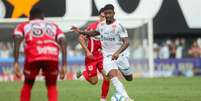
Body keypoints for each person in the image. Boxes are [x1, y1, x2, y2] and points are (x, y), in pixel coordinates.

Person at [71, 4, 134, 101]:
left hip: (120, 55)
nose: (107, 16)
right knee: (111, 76)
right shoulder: (100, 25)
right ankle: (125, 98)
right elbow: (93, 33)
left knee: (129, 78)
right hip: (106, 56)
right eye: (105, 14)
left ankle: (121, 94)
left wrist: (117, 53)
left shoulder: (119, 26)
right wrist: (81, 31)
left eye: (109, 13)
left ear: (114, 13)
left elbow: (127, 42)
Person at [13, 8, 67, 101]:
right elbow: (63, 40)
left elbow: (17, 38)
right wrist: (64, 64)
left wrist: (16, 62)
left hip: (33, 54)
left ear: (30, 17)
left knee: (28, 84)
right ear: (43, 17)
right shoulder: (53, 25)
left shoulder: (24, 25)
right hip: (51, 54)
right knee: (51, 85)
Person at [76, 8, 110, 101]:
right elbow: (80, 38)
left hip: (103, 57)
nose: (104, 18)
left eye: (106, 17)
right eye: (102, 16)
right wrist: (87, 51)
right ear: (99, 16)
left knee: (107, 77)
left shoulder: (110, 27)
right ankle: (83, 72)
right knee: (94, 81)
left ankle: (103, 99)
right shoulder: (92, 27)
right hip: (91, 57)